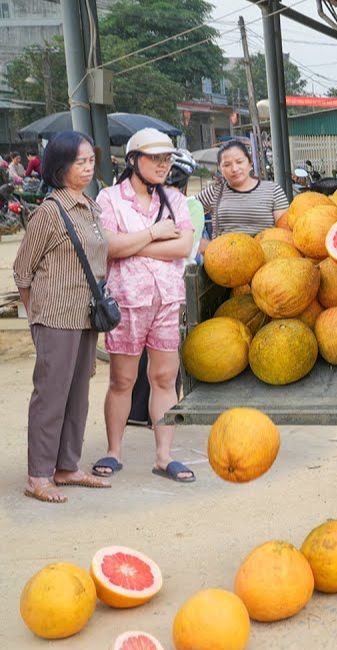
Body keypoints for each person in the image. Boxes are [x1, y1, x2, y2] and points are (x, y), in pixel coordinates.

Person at [91, 129, 195, 483]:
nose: (164, 165)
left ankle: (164, 457)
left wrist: (133, 244)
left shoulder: (175, 200)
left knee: (164, 377)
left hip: (166, 300)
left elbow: (182, 248)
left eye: (167, 158)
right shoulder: (109, 199)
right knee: (122, 379)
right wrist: (153, 234)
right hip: (128, 303)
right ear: (134, 160)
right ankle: (113, 451)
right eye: (155, 158)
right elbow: (109, 247)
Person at [12, 132, 110, 502]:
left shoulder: (90, 206)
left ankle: (67, 466)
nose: (87, 168)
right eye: (79, 162)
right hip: (55, 317)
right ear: (59, 166)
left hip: (86, 315)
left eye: (90, 160)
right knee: (51, 396)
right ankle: (38, 475)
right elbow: (23, 271)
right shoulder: (49, 213)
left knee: (78, 395)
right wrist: (38, 319)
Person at [125, 147, 202, 430]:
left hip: (174, 287)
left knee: (167, 355)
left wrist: (138, 246)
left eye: (171, 182)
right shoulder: (141, 204)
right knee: (141, 351)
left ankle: (161, 416)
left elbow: (181, 249)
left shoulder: (189, 207)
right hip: (140, 287)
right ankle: (137, 411)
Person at [196, 139, 288, 255]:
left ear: (250, 163)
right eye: (227, 165)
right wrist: (197, 242)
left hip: (265, 261)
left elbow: (285, 231)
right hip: (223, 260)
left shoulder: (273, 190)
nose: (234, 169)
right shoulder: (215, 191)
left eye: (239, 162)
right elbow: (182, 212)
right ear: (220, 169)